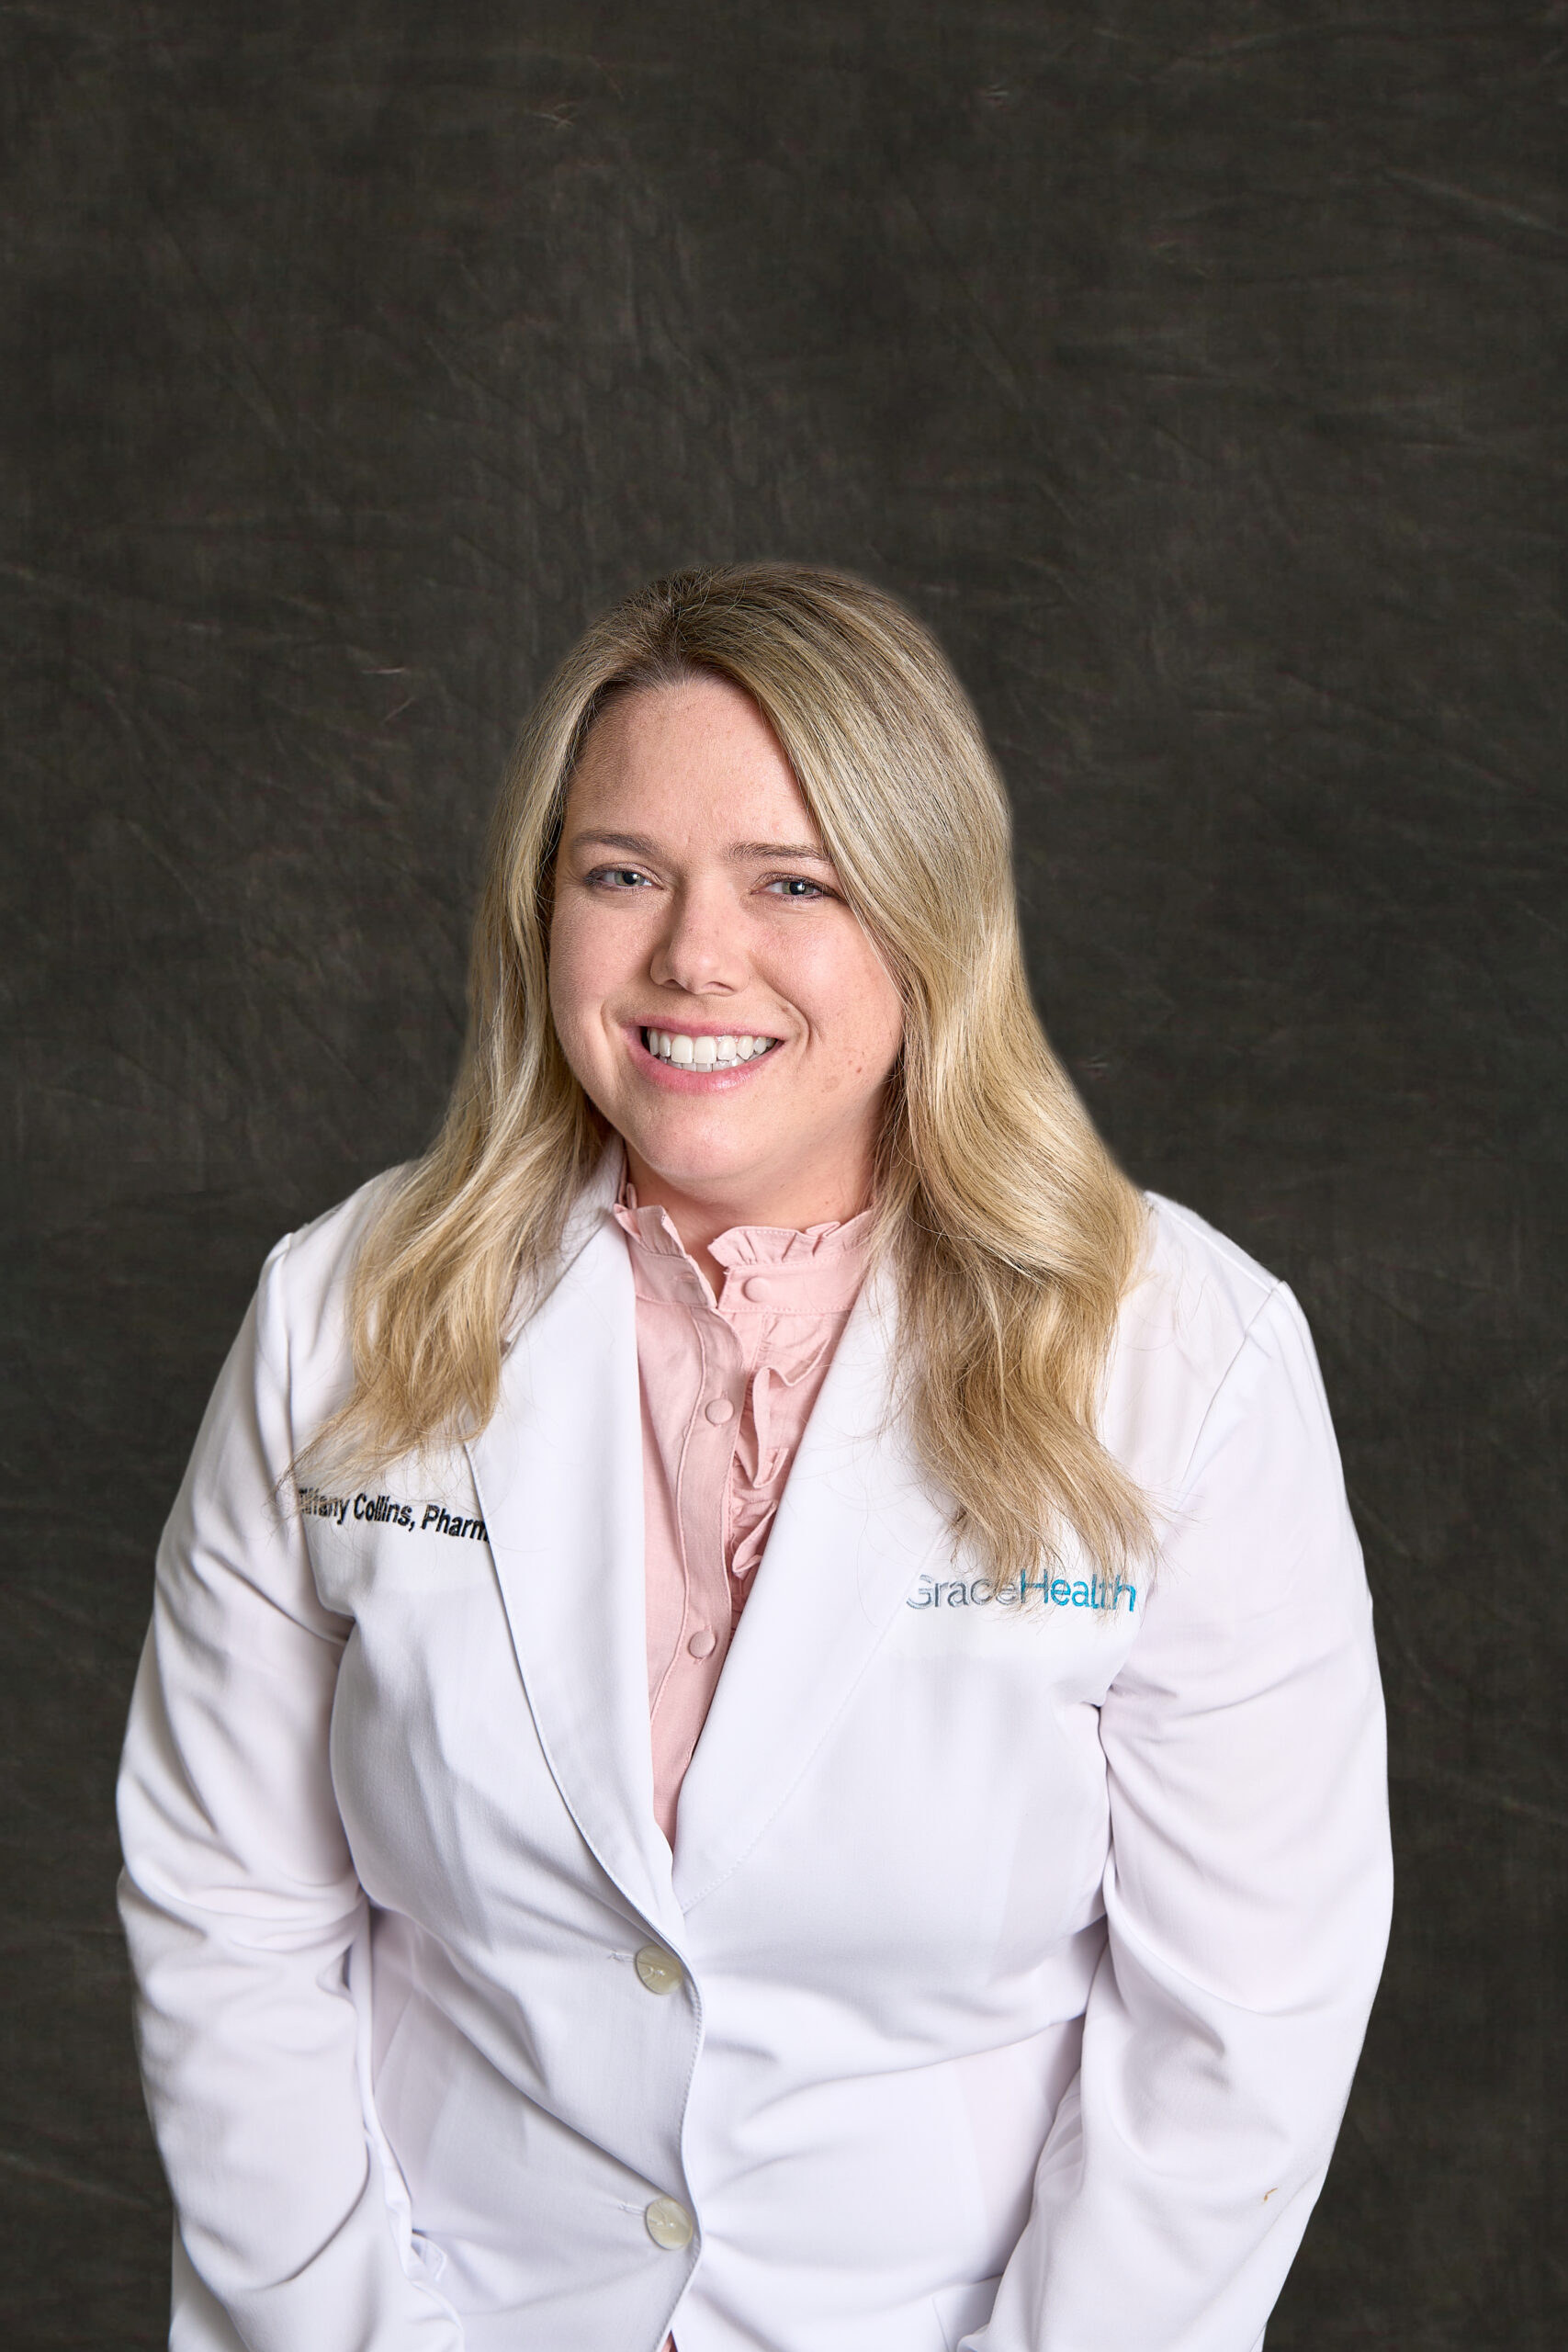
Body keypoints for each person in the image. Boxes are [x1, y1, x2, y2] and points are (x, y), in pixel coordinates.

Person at [117, 563, 1392, 2352]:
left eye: (790, 881)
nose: (687, 957)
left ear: (923, 917)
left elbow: (1240, 2021)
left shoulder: (1179, 1353)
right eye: (617, 873)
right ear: (536, 912)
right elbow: (226, 1904)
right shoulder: (342, 1312)